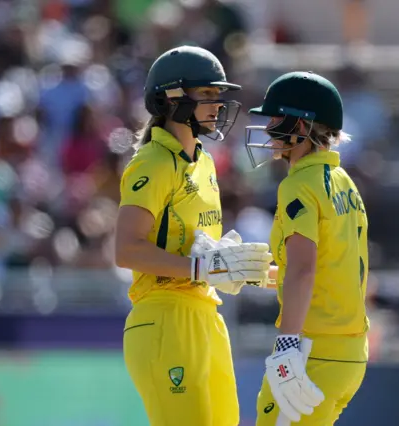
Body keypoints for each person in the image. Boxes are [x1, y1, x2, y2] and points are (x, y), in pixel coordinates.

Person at [114, 45, 273, 426]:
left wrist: (246, 270)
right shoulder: (152, 162)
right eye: (206, 94)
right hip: (164, 317)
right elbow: (126, 249)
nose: (217, 104)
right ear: (171, 98)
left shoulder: (203, 162)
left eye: (218, 94)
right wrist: (201, 267)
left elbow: (197, 251)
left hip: (206, 313)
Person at [245, 71, 370, 425]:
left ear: (301, 127)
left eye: (275, 118)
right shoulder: (344, 181)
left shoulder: (299, 185)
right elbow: (331, 266)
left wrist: (287, 344)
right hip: (349, 353)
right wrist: (259, 276)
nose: (268, 128)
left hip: (314, 348)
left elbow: (304, 269)